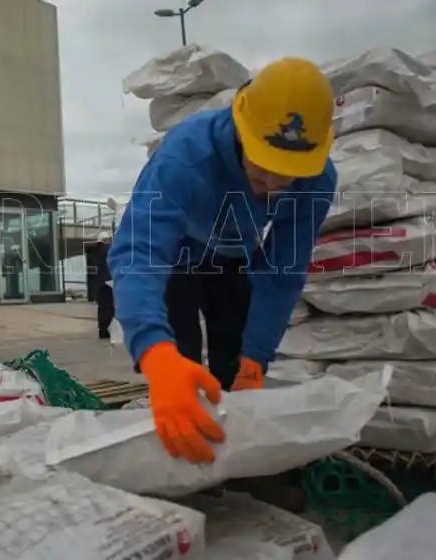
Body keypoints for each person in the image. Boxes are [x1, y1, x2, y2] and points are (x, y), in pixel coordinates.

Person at [108, 57, 338, 464]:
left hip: (233, 253)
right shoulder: (184, 157)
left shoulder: (317, 179)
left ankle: (236, 465)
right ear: (240, 132)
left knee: (235, 363)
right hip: (176, 253)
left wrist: (257, 356)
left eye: (285, 179)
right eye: (262, 172)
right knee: (178, 360)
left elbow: (283, 270)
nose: (270, 188)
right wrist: (155, 354)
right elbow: (138, 254)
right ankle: (178, 461)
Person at [89, 231, 116, 339]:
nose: (109, 242)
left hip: (104, 283)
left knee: (106, 308)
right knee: (107, 308)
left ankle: (103, 329)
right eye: (107, 240)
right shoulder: (104, 249)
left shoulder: (100, 251)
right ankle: (103, 329)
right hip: (105, 284)